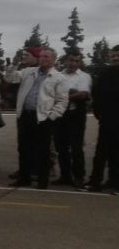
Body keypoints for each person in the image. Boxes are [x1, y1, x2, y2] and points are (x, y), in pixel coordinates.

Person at [5, 47, 68, 189]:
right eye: (41, 56)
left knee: (43, 150)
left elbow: (62, 101)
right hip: (25, 115)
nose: (42, 59)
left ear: (53, 59)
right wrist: (13, 65)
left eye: (46, 56)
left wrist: (51, 117)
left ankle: (42, 180)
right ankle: (24, 178)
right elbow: (10, 77)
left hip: (43, 117)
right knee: (23, 148)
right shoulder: (28, 72)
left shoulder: (59, 78)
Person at [54, 49, 92, 188]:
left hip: (75, 116)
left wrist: (64, 96)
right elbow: (51, 92)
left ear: (80, 62)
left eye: (77, 61)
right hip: (60, 115)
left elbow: (83, 94)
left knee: (76, 148)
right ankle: (65, 176)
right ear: (65, 61)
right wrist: (71, 94)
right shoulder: (57, 75)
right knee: (61, 147)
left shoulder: (84, 76)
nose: (73, 63)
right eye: (71, 60)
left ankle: (79, 176)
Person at [86, 45, 119, 193]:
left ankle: (115, 181)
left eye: (118, 56)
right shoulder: (104, 74)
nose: (115, 58)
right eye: (113, 56)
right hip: (107, 120)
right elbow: (96, 94)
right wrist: (99, 113)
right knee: (101, 152)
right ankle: (95, 181)